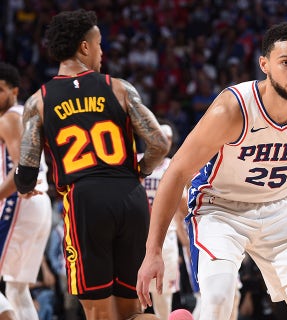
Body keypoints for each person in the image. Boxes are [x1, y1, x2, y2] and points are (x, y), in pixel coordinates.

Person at [136, 22, 287, 320]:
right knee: (219, 297)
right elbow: (176, 172)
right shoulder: (233, 108)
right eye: (286, 63)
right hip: (220, 209)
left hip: (281, 208)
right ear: (265, 65)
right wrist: (153, 250)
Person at [13, 9, 170, 320]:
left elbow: (27, 168)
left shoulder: (38, 102)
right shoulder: (119, 88)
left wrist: (25, 186)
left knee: (99, 313)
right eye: (99, 45)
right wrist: (138, 171)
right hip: (130, 197)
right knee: (133, 310)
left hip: (85, 201)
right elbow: (159, 144)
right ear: (84, 47)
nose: (102, 52)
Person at [0, 62, 52, 320]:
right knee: (17, 288)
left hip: (19, 200)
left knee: (14, 287)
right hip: (40, 203)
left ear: (14, 91)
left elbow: (21, 166)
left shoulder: (8, 118)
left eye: (0, 90)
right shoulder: (27, 115)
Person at [140, 123, 189, 319]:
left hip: (165, 239)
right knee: (134, 297)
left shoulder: (173, 166)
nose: (163, 141)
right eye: (159, 137)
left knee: (163, 298)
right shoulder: (136, 163)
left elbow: (183, 209)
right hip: (137, 236)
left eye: (167, 139)